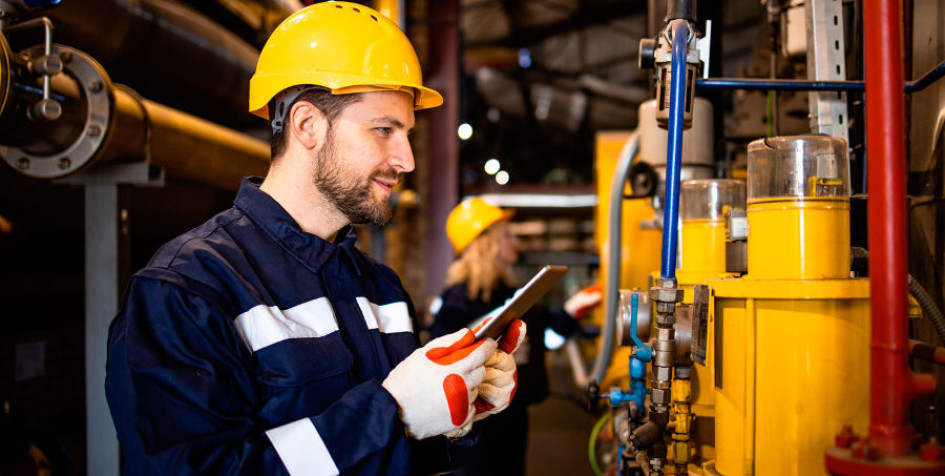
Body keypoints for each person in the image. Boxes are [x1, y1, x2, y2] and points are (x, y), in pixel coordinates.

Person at [104, 3, 524, 475]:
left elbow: (399, 455)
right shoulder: (187, 290)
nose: (406, 159)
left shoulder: (380, 287)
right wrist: (392, 411)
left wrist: (457, 416)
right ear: (307, 125)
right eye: (384, 130)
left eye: (406, 133)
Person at [431, 198, 602, 476]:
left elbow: (547, 337)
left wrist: (575, 308)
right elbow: (440, 364)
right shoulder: (457, 300)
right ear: (487, 242)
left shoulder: (511, 294)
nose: (516, 242)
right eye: (507, 234)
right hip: (475, 426)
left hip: (512, 416)